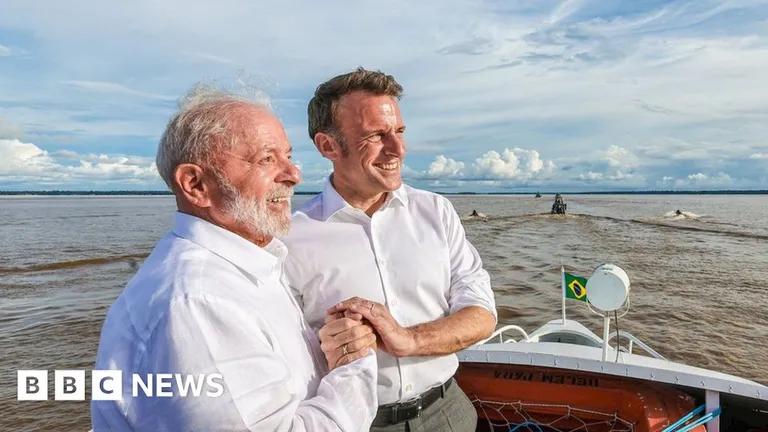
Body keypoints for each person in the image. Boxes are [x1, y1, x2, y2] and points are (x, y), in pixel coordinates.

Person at [92, 87, 378, 431]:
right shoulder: (198, 302)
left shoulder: (246, 264)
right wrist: (354, 365)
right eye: (266, 159)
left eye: (288, 156)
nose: (294, 175)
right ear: (196, 184)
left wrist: (325, 344)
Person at [282, 68, 497, 431]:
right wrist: (327, 347)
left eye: (398, 131)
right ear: (328, 146)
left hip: (450, 411)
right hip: (359, 422)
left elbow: (483, 313)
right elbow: (278, 352)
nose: (398, 149)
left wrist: (409, 339)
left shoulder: (436, 211)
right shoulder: (288, 237)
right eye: (376, 136)